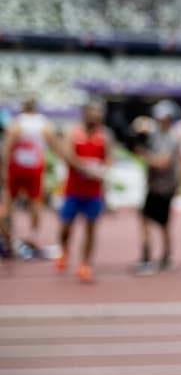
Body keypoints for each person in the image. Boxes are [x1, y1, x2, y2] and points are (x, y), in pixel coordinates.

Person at [55, 100, 114, 283]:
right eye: (92, 114)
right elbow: (67, 154)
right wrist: (85, 168)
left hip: (93, 192)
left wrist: (102, 170)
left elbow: (110, 159)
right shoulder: (73, 133)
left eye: (98, 115)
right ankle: (64, 250)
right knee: (66, 227)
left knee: (91, 228)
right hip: (73, 190)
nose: (95, 118)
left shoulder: (105, 136)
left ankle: (85, 264)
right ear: (85, 115)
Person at [0, 98, 63, 255]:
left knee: (10, 202)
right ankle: (33, 235)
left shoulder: (17, 124)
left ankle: (8, 237)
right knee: (36, 201)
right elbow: (55, 146)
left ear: (23, 108)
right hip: (34, 168)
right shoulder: (44, 124)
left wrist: (3, 168)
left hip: (16, 168)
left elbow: (7, 148)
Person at [131, 99, 181, 275]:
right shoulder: (156, 134)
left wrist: (145, 155)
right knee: (149, 220)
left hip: (164, 187)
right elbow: (140, 125)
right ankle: (163, 256)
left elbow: (163, 163)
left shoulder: (172, 138)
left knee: (161, 223)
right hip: (155, 186)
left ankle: (152, 258)